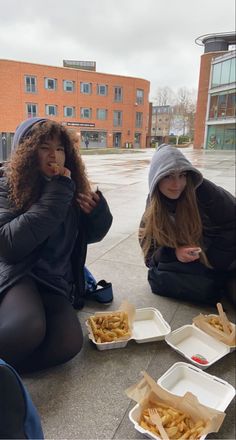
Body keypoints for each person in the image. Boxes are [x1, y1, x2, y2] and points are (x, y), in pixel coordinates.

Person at [0, 117, 113, 373]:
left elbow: (89, 236)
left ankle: (8, 372)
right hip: (18, 274)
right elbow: (8, 245)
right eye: (44, 147)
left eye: (60, 148)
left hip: (53, 279)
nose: (55, 156)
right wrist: (58, 192)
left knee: (68, 344)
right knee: (27, 327)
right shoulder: (7, 184)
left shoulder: (70, 187)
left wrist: (97, 214)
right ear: (27, 152)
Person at [139, 144, 236, 305]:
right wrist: (174, 253)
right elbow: (149, 252)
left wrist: (213, 259)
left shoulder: (206, 192)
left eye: (182, 175)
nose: (177, 184)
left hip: (226, 260)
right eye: (168, 176)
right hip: (197, 265)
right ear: (156, 178)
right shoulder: (153, 204)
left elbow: (232, 221)